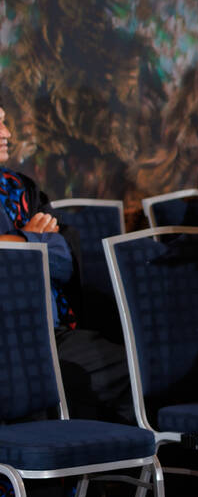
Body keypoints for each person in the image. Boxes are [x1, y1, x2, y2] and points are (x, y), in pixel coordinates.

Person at [0, 106, 133, 427]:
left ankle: (112, 473)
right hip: (9, 340)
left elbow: (61, 260)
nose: (6, 134)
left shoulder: (19, 188)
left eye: (4, 122)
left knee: (137, 365)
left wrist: (21, 242)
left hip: (50, 332)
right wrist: (30, 239)